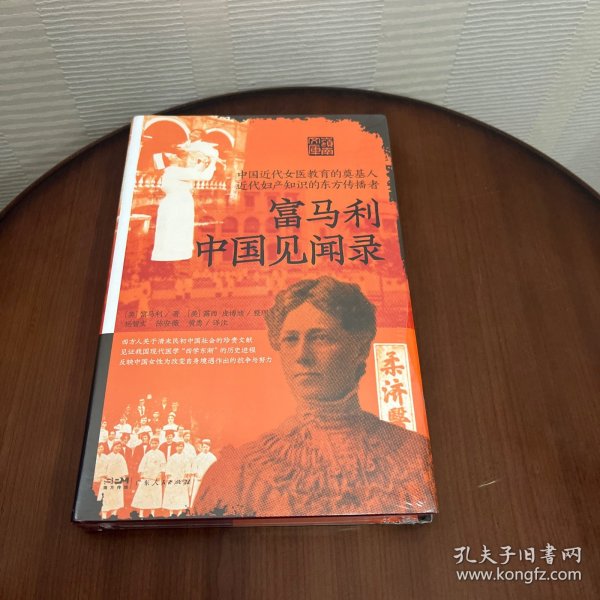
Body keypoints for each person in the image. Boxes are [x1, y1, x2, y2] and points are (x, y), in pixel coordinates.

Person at [193, 276, 436, 518]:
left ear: (360, 348)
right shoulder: (240, 473)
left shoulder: (416, 456)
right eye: (290, 339)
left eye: (320, 338)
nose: (302, 356)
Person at [151, 147, 218, 262]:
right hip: (178, 204)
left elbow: (193, 173)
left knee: (175, 230)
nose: (175, 156)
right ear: (169, 161)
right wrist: (213, 162)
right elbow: (204, 176)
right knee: (176, 229)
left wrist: (204, 163)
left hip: (176, 203)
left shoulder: (172, 171)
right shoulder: (174, 171)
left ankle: (172, 255)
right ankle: (173, 255)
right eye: (171, 156)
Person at [131, 437, 166, 518]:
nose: (154, 445)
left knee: (154, 494)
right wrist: (141, 473)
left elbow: (163, 465)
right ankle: (141, 512)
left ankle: (152, 513)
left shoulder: (161, 454)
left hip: (156, 477)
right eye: (152, 443)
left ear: (158, 444)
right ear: (150, 444)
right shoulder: (147, 454)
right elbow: (142, 464)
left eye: (155, 443)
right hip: (147, 476)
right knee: (143, 494)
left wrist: (160, 474)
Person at [97, 440, 129, 519]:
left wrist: (123, 478)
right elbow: (103, 468)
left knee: (117, 497)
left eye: (119, 447)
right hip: (108, 479)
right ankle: (104, 514)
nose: (118, 448)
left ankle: (114, 513)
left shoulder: (121, 457)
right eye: (116, 446)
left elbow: (124, 469)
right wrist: (105, 476)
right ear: (113, 447)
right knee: (107, 496)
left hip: (118, 479)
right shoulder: (108, 457)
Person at [162, 442, 192, 517]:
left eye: (181, 446)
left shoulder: (186, 458)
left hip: (182, 478)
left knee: (181, 494)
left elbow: (188, 468)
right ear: (176, 448)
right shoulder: (172, 457)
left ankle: (180, 511)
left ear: (183, 447)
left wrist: (185, 475)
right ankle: (171, 511)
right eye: (178, 446)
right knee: (172, 493)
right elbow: (168, 468)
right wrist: (170, 476)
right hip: (173, 477)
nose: (180, 448)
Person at [190, 438, 217, 507]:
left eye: (207, 447)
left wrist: (206, 476)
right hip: (198, 478)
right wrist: (197, 474)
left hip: (207, 478)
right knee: (196, 493)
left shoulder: (212, 458)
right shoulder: (198, 457)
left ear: (209, 447)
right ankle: (194, 507)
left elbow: (214, 470)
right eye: (204, 447)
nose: (205, 449)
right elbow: (194, 468)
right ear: (202, 447)